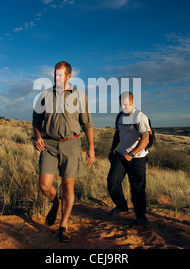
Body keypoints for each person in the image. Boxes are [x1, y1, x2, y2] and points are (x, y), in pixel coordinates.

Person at [32, 61, 95, 243]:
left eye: (60, 75)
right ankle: (55, 202)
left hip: (71, 143)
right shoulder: (44, 95)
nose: (56, 78)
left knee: (68, 186)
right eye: (55, 74)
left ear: (69, 76)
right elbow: (36, 120)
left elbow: (87, 124)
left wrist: (90, 147)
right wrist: (37, 136)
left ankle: (63, 225)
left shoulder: (79, 96)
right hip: (49, 144)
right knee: (44, 184)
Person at [107, 91, 150, 226]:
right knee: (112, 181)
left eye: (126, 104)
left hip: (137, 157)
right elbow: (117, 135)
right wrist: (111, 149)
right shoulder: (120, 116)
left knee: (137, 187)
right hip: (121, 154)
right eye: (121, 104)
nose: (123, 106)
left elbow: (145, 139)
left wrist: (131, 154)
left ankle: (140, 216)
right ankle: (121, 206)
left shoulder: (140, 117)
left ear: (132, 102)